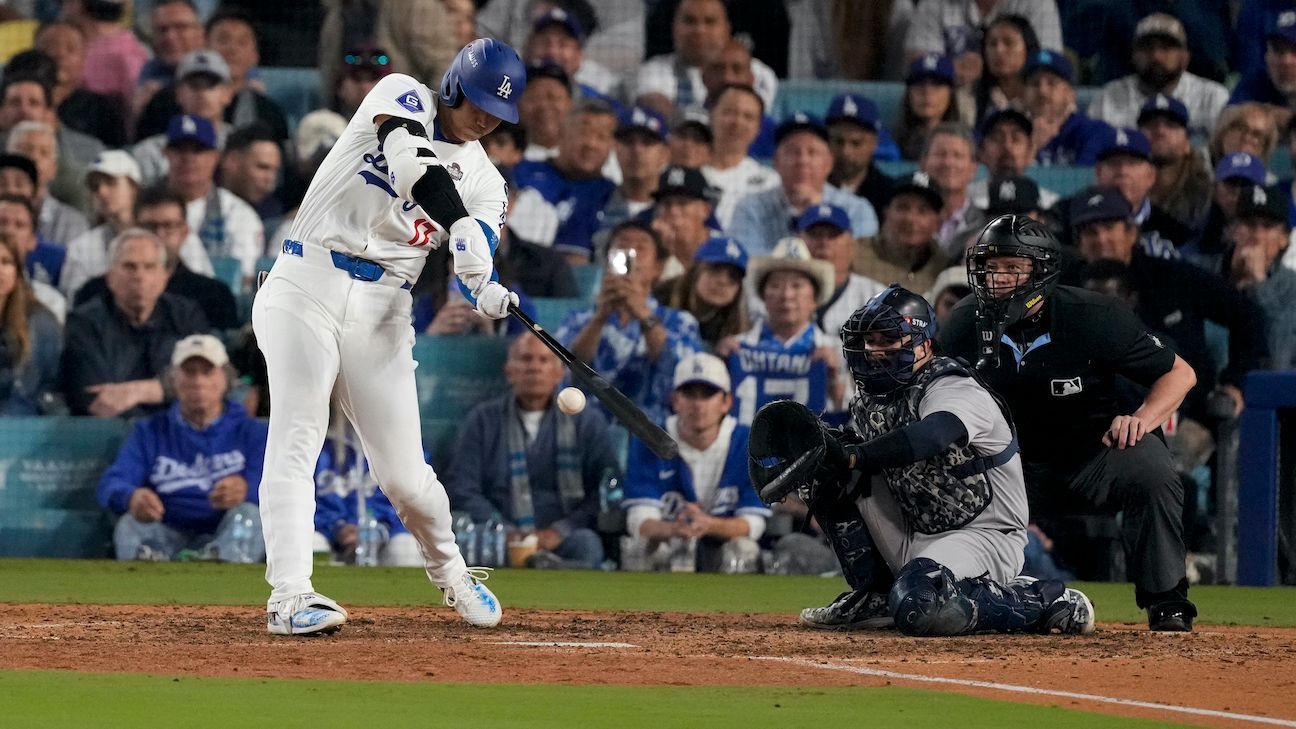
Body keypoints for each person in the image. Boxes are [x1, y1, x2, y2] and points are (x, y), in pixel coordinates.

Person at [252, 38, 528, 635]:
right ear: (455, 84)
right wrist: (458, 229)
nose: (484, 118)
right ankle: (290, 596)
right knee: (298, 432)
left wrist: (483, 286)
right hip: (307, 279)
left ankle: (453, 575)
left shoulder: (489, 183)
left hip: (383, 308)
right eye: (478, 100)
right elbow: (411, 165)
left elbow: (475, 250)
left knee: (406, 477)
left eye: (498, 113)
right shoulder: (401, 92)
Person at [751, 285, 1094, 636]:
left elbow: (933, 435)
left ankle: (1044, 599)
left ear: (924, 345)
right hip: (917, 528)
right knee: (829, 465)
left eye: (889, 339)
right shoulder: (871, 398)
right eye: (870, 341)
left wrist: (857, 455)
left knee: (920, 604)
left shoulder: (952, 386)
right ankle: (878, 594)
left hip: (985, 534)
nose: (876, 350)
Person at [938, 215, 1199, 631]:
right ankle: (947, 591)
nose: (996, 277)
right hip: (1005, 468)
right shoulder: (962, 322)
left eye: (1011, 267)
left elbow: (1180, 373)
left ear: (1040, 271)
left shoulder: (1093, 316)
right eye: (990, 266)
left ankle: (1166, 599)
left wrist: (1141, 419)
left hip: (1092, 454)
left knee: (1152, 468)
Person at [1069, 187, 1264, 421]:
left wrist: (1235, 383)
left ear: (1132, 233)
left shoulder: (1173, 277)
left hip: (1187, 417)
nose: (1101, 240)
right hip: (1092, 418)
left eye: (1110, 228)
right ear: (1079, 243)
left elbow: (1249, 315)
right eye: (1091, 232)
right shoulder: (1064, 289)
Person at [446, 334, 622, 570]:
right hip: (500, 535)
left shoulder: (587, 422)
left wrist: (558, 532)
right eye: (526, 359)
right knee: (469, 545)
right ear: (509, 371)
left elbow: (605, 491)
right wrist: (504, 530)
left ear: (560, 373)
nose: (534, 367)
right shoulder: (483, 420)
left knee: (587, 544)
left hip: (563, 538)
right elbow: (463, 487)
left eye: (544, 360)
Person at [95, 334, 267, 562]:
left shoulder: (252, 432)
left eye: (207, 372)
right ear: (173, 380)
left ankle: (219, 572)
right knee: (130, 524)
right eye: (189, 372)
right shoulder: (149, 431)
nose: (198, 381)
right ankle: (147, 589)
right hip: (166, 530)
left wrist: (247, 488)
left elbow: (280, 485)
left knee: (251, 517)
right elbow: (112, 482)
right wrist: (132, 497)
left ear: (225, 379)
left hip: (226, 531)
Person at [622, 352, 770, 573]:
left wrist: (707, 524)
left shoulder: (750, 444)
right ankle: (644, 609)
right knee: (640, 547)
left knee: (743, 549)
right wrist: (674, 528)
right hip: (671, 542)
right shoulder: (651, 441)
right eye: (690, 394)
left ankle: (739, 609)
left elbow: (752, 523)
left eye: (708, 394)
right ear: (675, 401)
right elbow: (639, 521)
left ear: (726, 402)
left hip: (723, 544)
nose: (698, 404)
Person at [557, 220, 702, 426]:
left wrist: (643, 314)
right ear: (607, 261)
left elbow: (681, 372)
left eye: (641, 247)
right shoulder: (577, 318)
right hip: (587, 428)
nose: (631, 250)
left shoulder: (680, 321)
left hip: (653, 429)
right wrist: (599, 319)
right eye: (622, 244)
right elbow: (564, 368)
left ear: (658, 268)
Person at [61, 228, 209, 418]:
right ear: (110, 277)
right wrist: (172, 390)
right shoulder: (84, 323)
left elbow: (211, 379)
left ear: (164, 277)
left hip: (180, 432)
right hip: (108, 434)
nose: (139, 276)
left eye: (149, 267)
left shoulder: (186, 316)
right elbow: (94, 399)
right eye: (130, 267)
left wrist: (140, 391)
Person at [720, 237, 844, 426]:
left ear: (814, 298)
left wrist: (835, 379)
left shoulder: (838, 352)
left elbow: (848, 419)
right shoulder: (735, 348)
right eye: (776, 285)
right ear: (763, 296)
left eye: (797, 285)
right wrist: (720, 366)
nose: (786, 295)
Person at [74, 188, 235, 331]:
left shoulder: (213, 296)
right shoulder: (95, 293)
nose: (159, 234)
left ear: (184, 232)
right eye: (150, 226)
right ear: (133, 228)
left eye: (169, 226)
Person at [728, 113, 878, 257]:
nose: (802, 161)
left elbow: (859, 264)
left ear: (828, 163)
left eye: (812, 152)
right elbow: (747, 263)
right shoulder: (750, 207)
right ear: (776, 162)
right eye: (793, 152)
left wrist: (815, 213)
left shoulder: (857, 209)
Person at [1087, 13, 1228, 139]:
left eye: (1166, 48)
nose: (1156, 56)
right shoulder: (1108, 98)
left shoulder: (1212, 97)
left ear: (1185, 57)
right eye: (1147, 48)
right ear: (1134, 56)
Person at [509, 100, 617, 264]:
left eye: (601, 137)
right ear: (561, 133)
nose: (591, 144)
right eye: (583, 133)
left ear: (612, 145)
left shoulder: (612, 196)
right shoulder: (521, 172)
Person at [630, 0, 778, 116]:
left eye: (710, 21)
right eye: (690, 21)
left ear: (727, 29)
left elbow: (747, 118)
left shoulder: (758, 72)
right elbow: (659, 112)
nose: (699, 30)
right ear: (674, 28)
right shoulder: (653, 70)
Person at [163, 114, 265, 282]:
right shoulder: (143, 207)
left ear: (215, 157)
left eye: (198, 150)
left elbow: (243, 280)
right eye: (179, 149)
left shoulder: (239, 214)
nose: (188, 158)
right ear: (166, 154)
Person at [132, 50, 237, 183]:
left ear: (228, 94)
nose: (201, 93)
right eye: (194, 85)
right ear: (178, 94)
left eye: (210, 85)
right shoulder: (150, 152)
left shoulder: (241, 146)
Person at [1228, 183, 1296, 369]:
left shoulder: (1292, 288)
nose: (1257, 236)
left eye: (1268, 227)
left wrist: (1259, 282)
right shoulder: (1206, 275)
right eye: (1249, 225)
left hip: (1270, 393)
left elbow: (1278, 359)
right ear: (1234, 231)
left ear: (1284, 239)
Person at [61, 151, 146, 299]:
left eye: (111, 182)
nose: (102, 191)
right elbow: (74, 299)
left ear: (133, 188)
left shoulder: (166, 232)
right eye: (95, 186)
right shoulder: (81, 247)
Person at [797, 203, 885, 342]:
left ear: (851, 243)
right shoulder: (777, 293)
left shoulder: (877, 297)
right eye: (815, 234)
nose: (823, 242)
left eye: (833, 235)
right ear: (798, 241)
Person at [853, 171, 950, 294]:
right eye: (902, 207)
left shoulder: (945, 266)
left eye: (922, 211)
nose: (911, 219)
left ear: (938, 221)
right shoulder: (856, 254)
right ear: (886, 213)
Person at [29, 25, 126, 145]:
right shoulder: (17, 102)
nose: (60, 55)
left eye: (71, 49)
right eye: (50, 47)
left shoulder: (101, 109)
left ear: (83, 58)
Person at [4, 119, 92, 247]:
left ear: (53, 169)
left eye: (44, 153)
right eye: (26, 150)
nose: (34, 158)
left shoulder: (72, 223)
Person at [0, 233, 61, 415]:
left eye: (6, 262)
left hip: (23, 426)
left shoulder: (41, 322)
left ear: (17, 271)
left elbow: (49, 384)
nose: (0, 270)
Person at [703, 84, 778, 229]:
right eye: (729, 112)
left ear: (758, 128)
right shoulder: (687, 174)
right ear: (712, 115)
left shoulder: (769, 182)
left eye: (748, 117)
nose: (737, 122)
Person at [660, 235, 749, 350]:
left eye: (733, 276)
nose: (722, 281)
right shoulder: (660, 299)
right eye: (715, 268)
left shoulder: (736, 328)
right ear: (695, 271)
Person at [1139, 94, 1211, 235]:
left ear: (1187, 144)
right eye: (1151, 124)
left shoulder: (1206, 195)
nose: (1160, 131)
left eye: (1171, 125)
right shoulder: (1122, 190)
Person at [1025, 49, 1110, 167]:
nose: (1042, 92)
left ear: (1070, 94)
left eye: (1051, 83)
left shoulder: (1093, 132)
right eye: (1034, 84)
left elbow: (1084, 180)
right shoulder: (1011, 134)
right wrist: (1033, 147)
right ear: (1023, 94)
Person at [58, 0, 148, 110]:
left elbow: (135, 109)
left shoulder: (125, 52)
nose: (62, 10)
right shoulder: (73, 41)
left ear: (77, 5)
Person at [968, 107, 1058, 212]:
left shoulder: (1047, 204)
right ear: (981, 151)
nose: (1007, 146)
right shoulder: (965, 202)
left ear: (1030, 152)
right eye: (997, 138)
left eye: (1016, 139)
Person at [599, 105, 670, 235]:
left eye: (647, 143)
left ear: (665, 154)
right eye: (628, 142)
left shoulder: (673, 213)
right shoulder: (594, 202)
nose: (637, 150)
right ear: (616, 149)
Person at [918, 123, 982, 259]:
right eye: (940, 154)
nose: (948, 163)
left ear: (973, 169)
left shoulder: (986, 226)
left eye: (958, 156)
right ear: (923, 164)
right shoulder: (906, 222)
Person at [826, 92, 894, 218]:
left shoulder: (890, 194)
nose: (846, 151)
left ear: (874, 143)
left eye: (856, 143)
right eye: (838, 142)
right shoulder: (811, 187)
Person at [648, 165, 719, 281]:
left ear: (705, 210)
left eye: (683, 203)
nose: (674, 211)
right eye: (667, 204)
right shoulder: (650, 252)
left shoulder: (724, 250)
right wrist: (661, 251)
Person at [1228, 12, 1296, 128]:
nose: (1286, 61)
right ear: (1266, 56)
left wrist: (1292, 120)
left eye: (1295, 51)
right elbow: (1226, 119)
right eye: (1278, 50)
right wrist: (1266, 114)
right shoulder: (1255, 82)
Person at [896, 53, 964, 161]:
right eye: (918, 84)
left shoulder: (968, 143)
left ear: (951, 94)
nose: (927, 92)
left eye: (937, 85)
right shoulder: (888, 144)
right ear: (908, 94)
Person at [218, 124, 284, 230]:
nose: (270, 179)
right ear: (232, 161)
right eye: (262, 168)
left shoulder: (273, 211)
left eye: (275, 171)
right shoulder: (198, 200)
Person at [972, 14, 1038, 119]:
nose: (999, 51)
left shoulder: (1042, 95)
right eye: (993, 44)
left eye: (1008, 43)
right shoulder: (969, 96)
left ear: (1028, 48)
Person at [516, 62, 573, 161]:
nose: (543, 106)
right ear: (518, 104)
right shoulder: (503, 158)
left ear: (570, 103)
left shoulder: (589, 161)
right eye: (535, 97)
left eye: (553, 97)